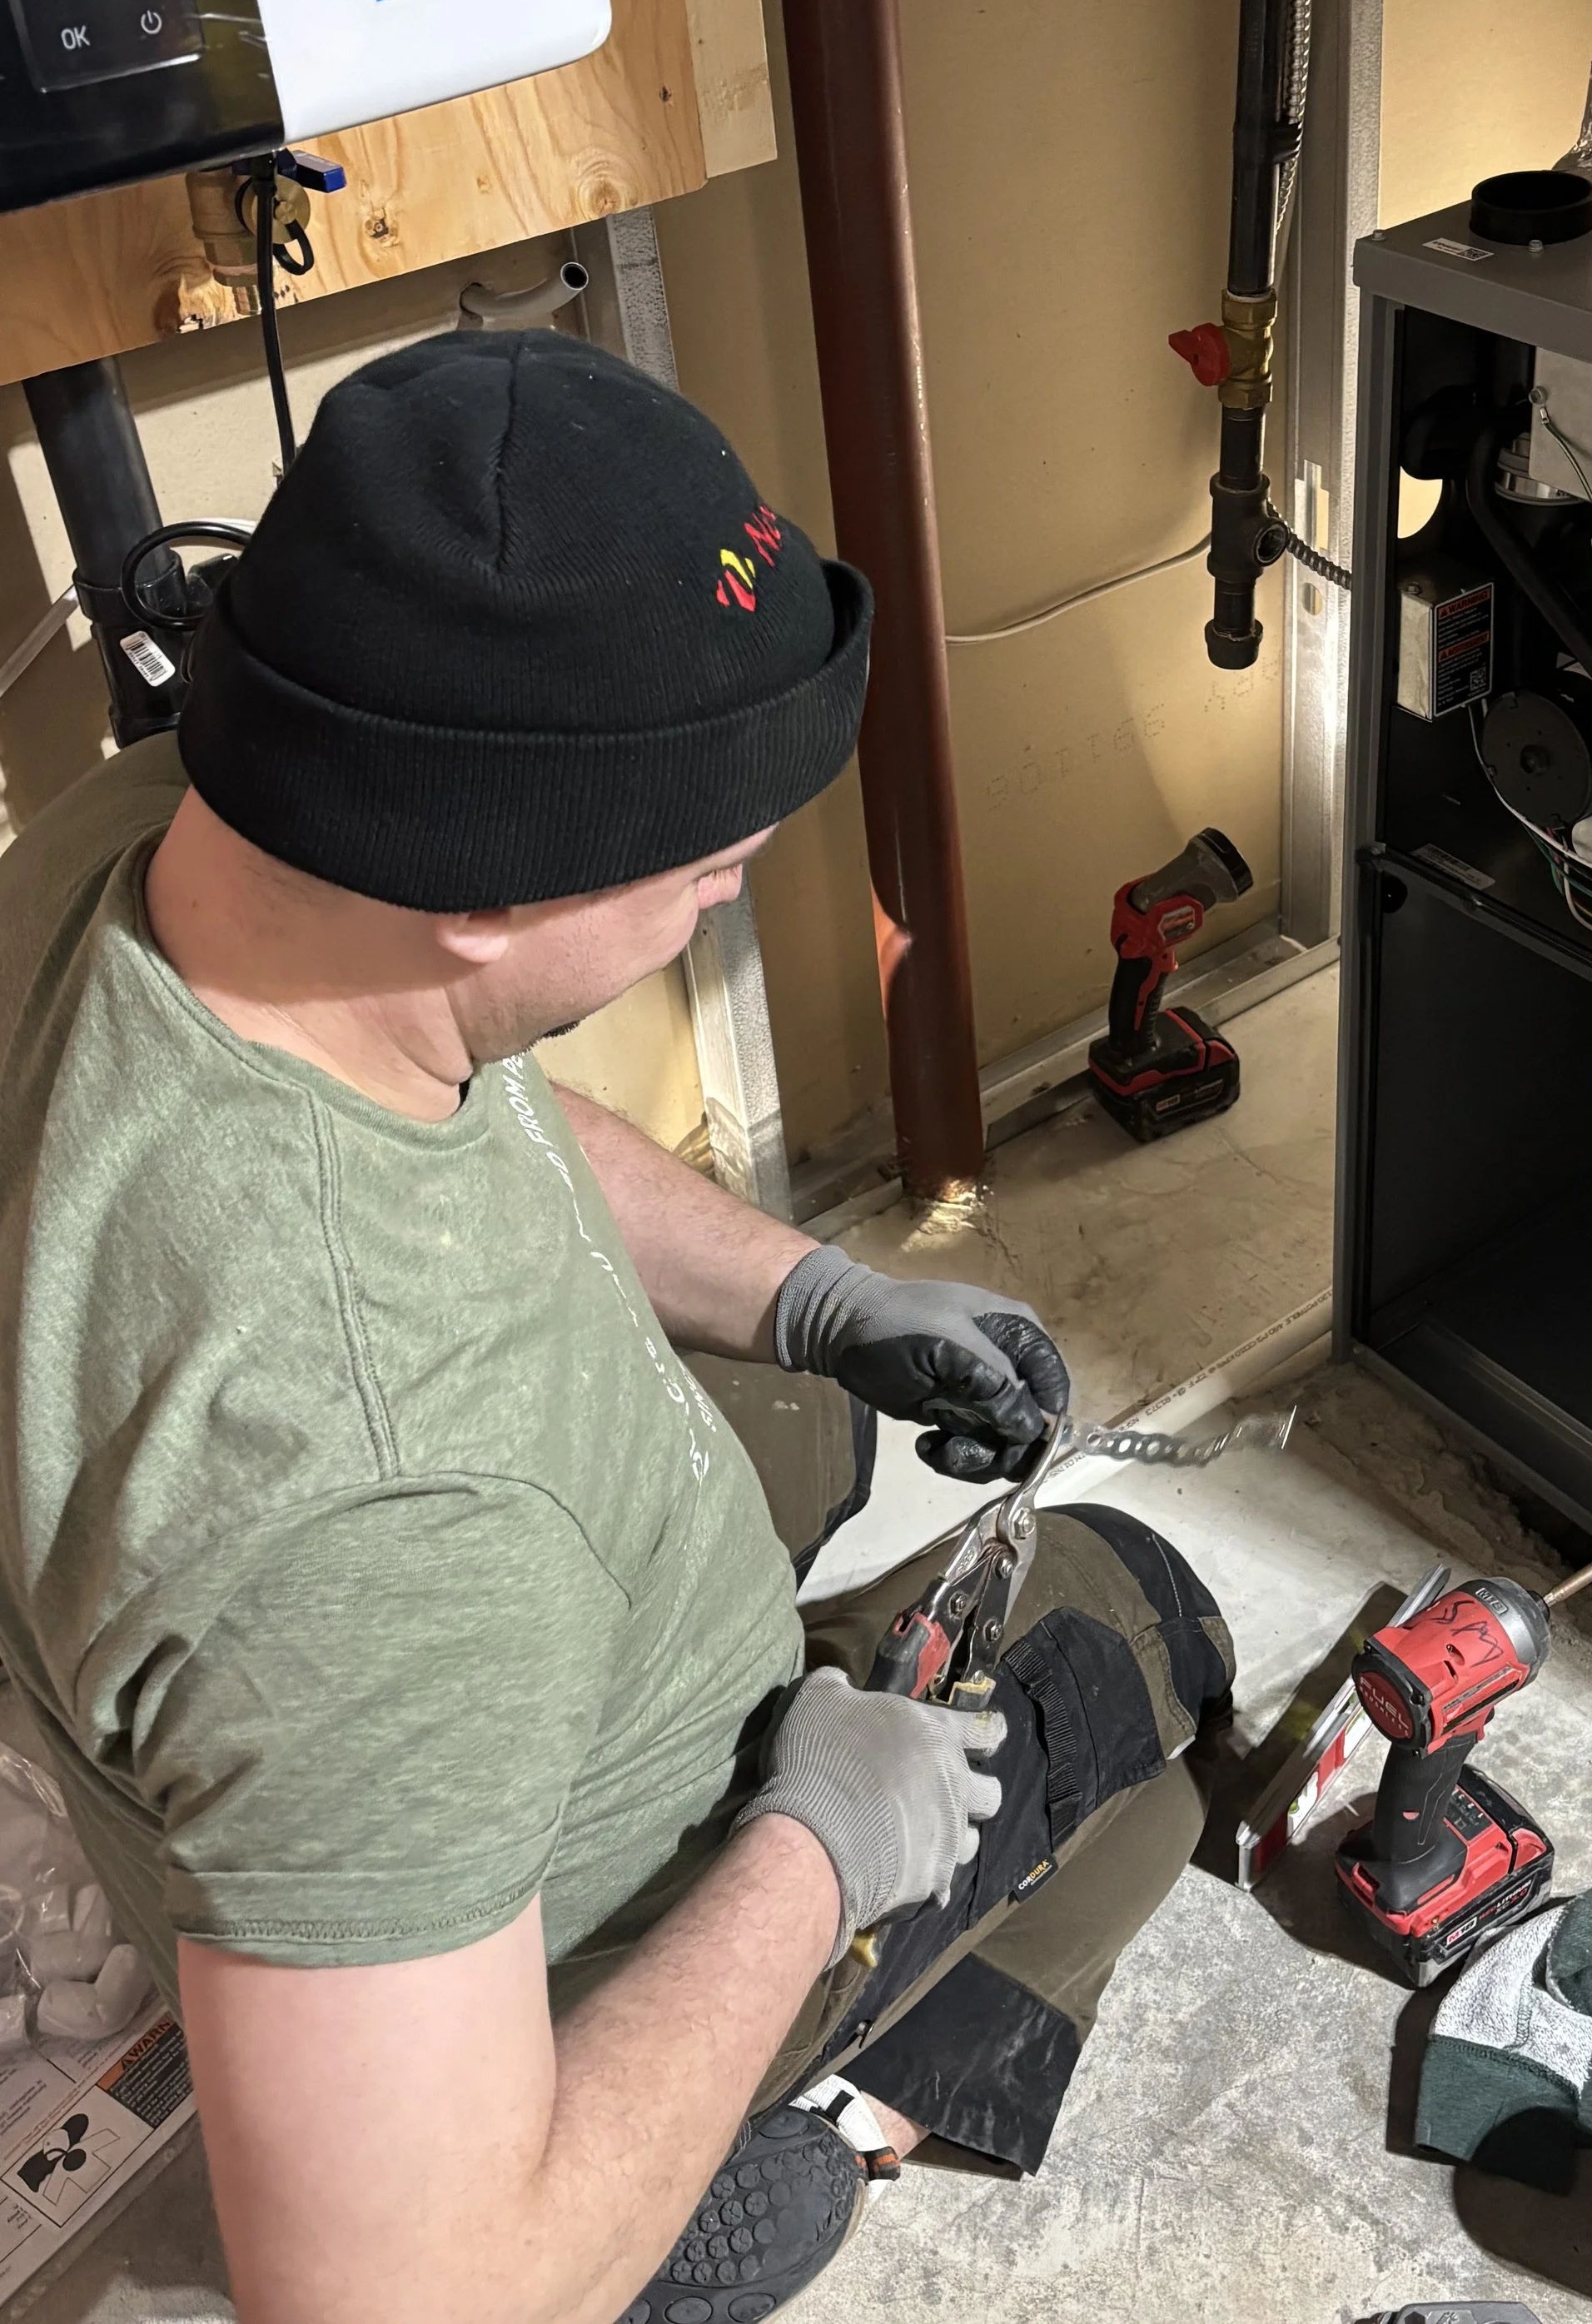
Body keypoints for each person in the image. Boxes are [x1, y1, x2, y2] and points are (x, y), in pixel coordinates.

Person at [0, 334, 1234, 2324]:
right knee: (1137, 1657)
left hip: (428, 1624)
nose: (717, 911)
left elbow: (465, 1097)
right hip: (552, 1959)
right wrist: (816, 1852)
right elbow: (400, 2304)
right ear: (483, 891)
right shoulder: (382, 1525)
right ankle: (781, 2159)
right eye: (708, 874)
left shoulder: (173, 843)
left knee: (804, 1428)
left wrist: (809, 1294)